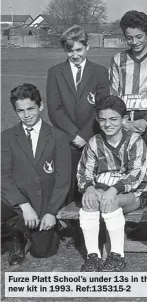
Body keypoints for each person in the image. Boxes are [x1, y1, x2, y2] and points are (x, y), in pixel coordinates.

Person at [77, 95, 147, 272]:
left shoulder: (135, 142)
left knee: (112, 201)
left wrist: (113, 190)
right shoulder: (93, 143)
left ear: (124, 119)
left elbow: (136, 175)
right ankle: (92, 256)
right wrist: (89, 188)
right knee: (90, 201)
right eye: (102, 120)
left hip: (133, 193)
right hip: (102, 191)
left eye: (113, 119)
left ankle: (117, 255)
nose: (107, 124)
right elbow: (83, 172)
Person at [1, 83, 71, 266]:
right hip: (18, 201)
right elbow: (4, 176)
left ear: (40, 107)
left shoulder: (58, 136)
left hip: (43, 202)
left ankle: (51, 227)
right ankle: (15, 235)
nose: (26, 115)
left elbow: (63, 180)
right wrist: (24, 206)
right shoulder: (7, 137)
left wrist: (51, 212)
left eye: (31, 108)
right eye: (20, 111)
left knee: (42, 252)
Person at [46, 25, 110, 205]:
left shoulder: (99, 72)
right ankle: (68, 230)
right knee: (68, 188)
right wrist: (74, 135)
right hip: (67, 139)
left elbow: (102, 108)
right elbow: (54, 109)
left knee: (93, 187)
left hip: (93, 137)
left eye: (79, 50)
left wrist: (84, 135)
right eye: (70, 51)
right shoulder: (55, 72)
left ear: (87, 46)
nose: (75, 55)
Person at [109, 10, 147, 179]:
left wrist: (146, 120)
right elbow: (113, 94)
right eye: (129, 38)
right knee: (128, 170)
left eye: (139, 37)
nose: (134, 42)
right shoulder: (119, 59)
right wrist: (123, 121)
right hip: (126, 122)